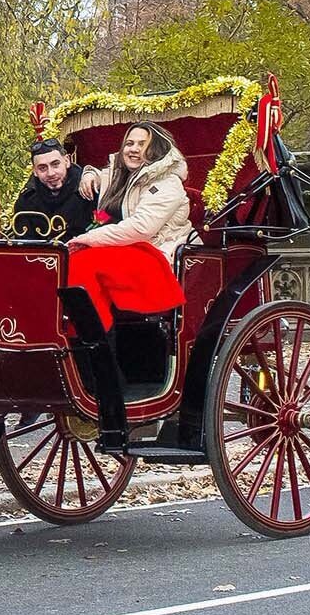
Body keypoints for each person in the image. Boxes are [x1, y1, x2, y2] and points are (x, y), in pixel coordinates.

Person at [62, 122, 192, 451]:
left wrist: (89, 238)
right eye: (129, 143)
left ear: (156, 150)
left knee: (82, 265)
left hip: (156, 258)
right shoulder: (119, 173)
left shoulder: (168, 184)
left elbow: (141, 228)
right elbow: (98, 175)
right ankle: (81, 354)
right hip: (123, 253)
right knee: (70, 267)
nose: (133, 149)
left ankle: (102, 365)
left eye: (141, 144)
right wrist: (89, 174)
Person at [10, 137, 95, 242]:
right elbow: (25, 245)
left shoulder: (90, 189)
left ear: (67, 161)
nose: (51, 173)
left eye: (55, 165)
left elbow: (105, 220)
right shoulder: (26, 201)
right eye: (42, 168)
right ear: (35, 171)